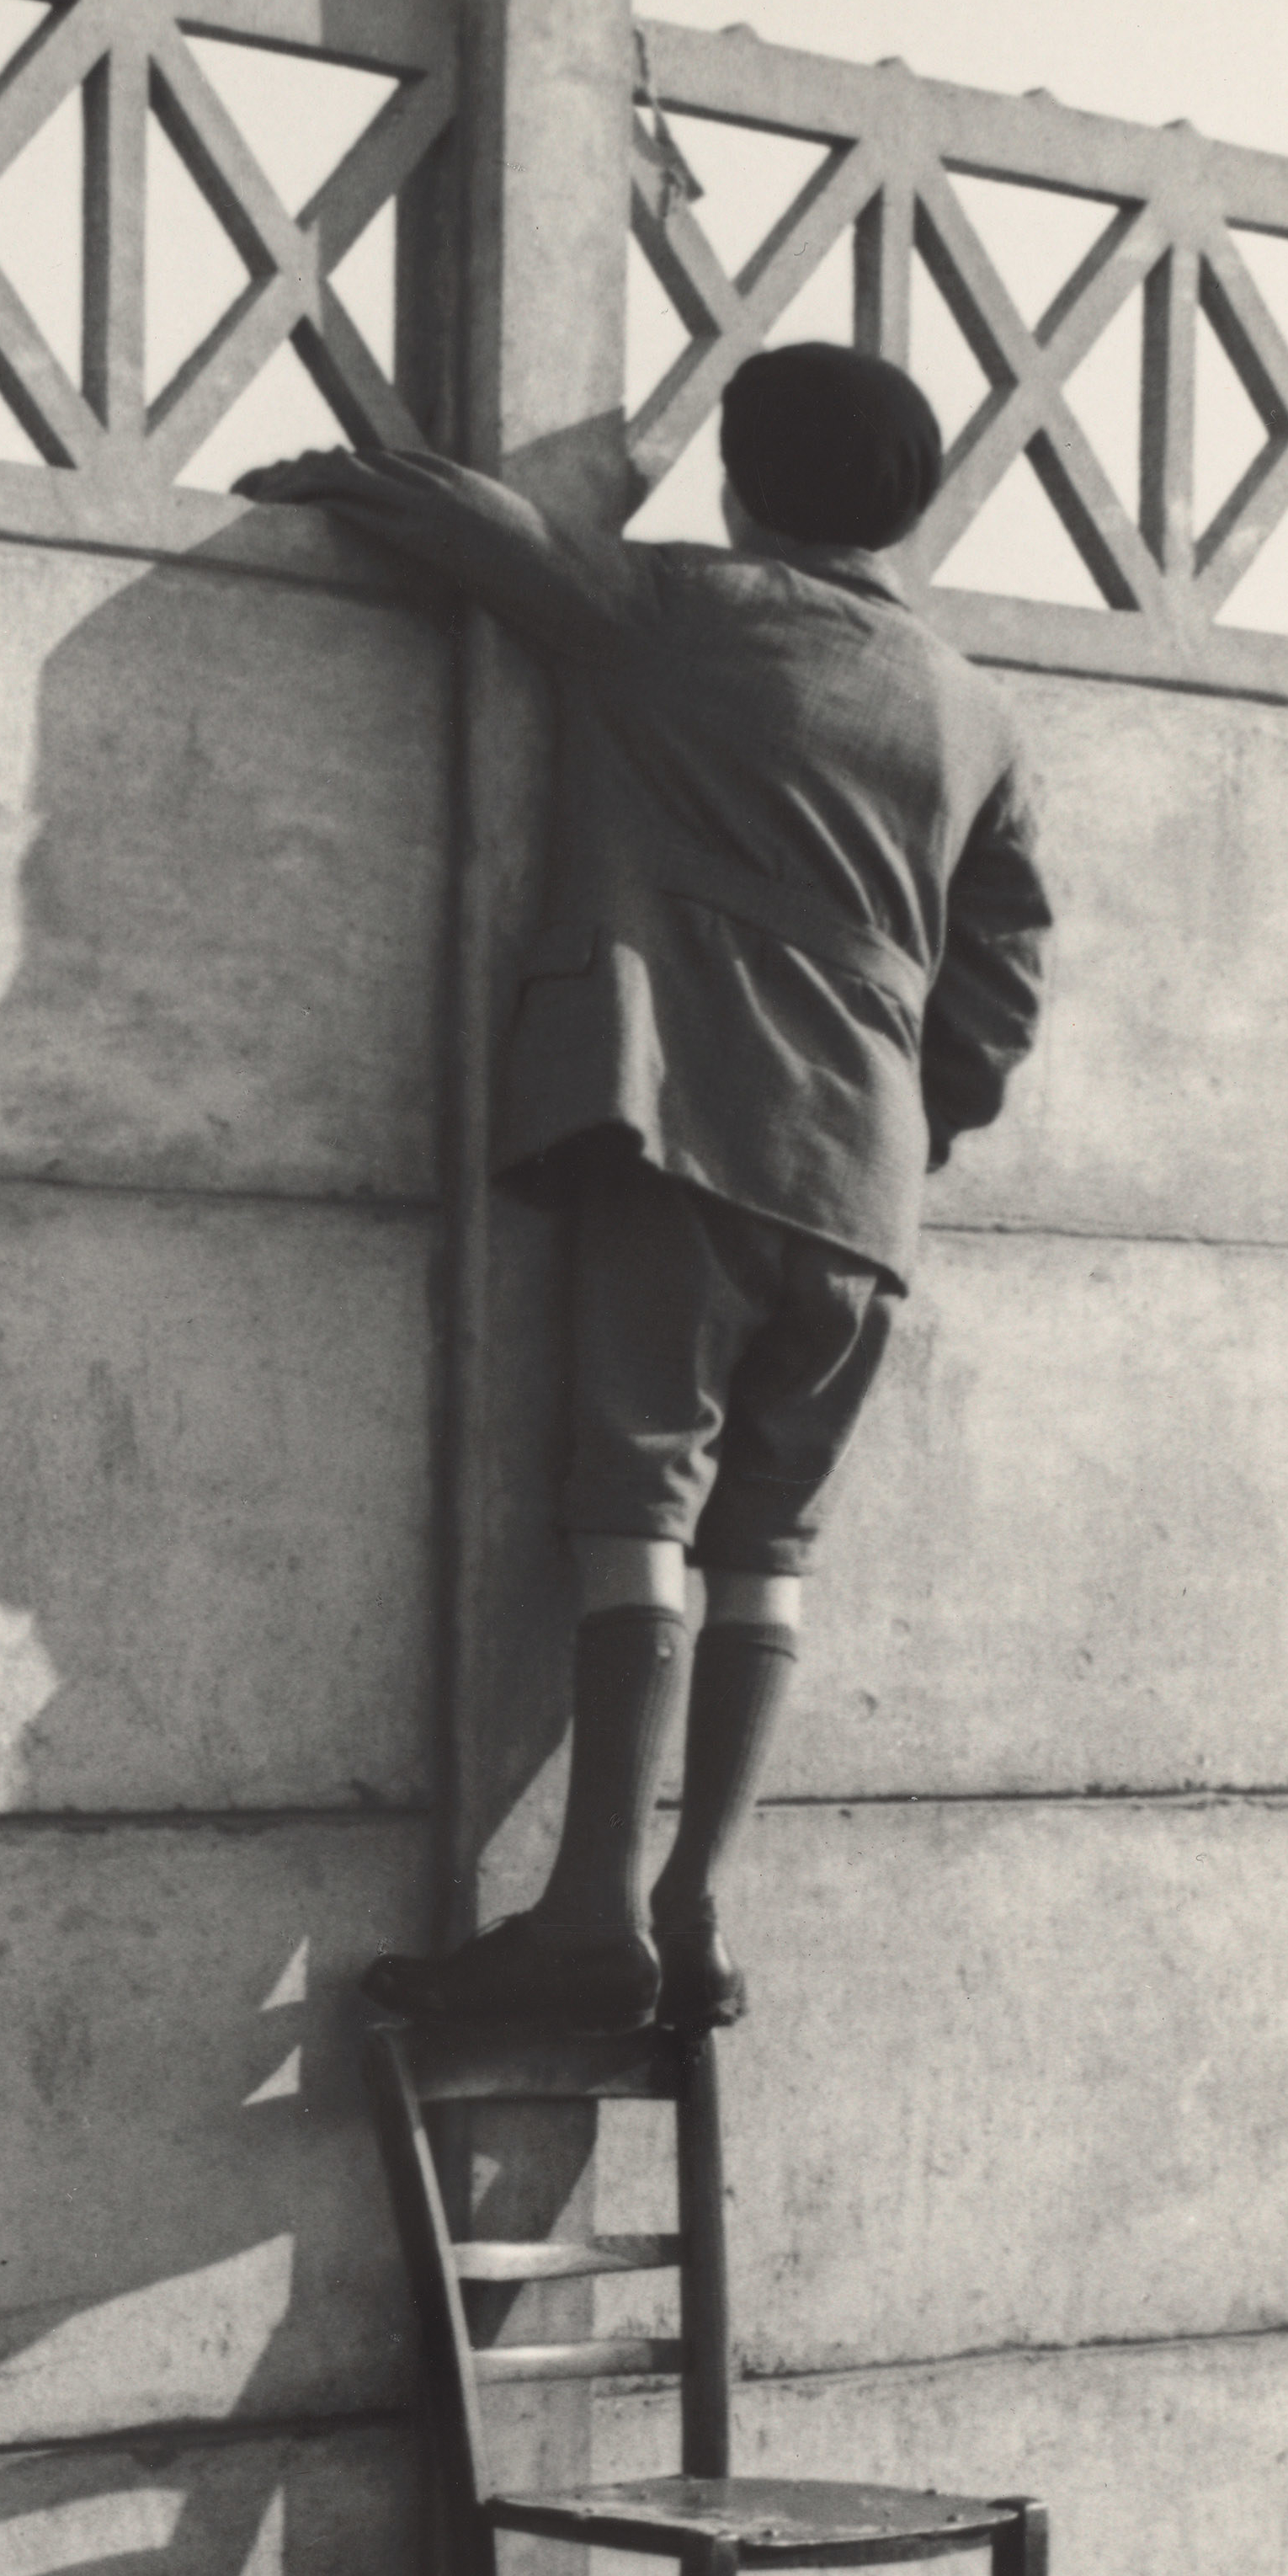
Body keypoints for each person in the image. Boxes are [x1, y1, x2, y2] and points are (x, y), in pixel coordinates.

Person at [236, 343, 1053, 2035]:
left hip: (689, 1129)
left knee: (638, 1502)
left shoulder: (685, 614)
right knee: (772, 1543)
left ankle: (594, 1908)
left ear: (745, 487)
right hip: (866, 1184)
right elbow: (1004, 981)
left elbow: (492, 534)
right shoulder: (977, 715)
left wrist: (335, 479)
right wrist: (907, 1121)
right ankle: (696, 1905)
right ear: (912, 506)